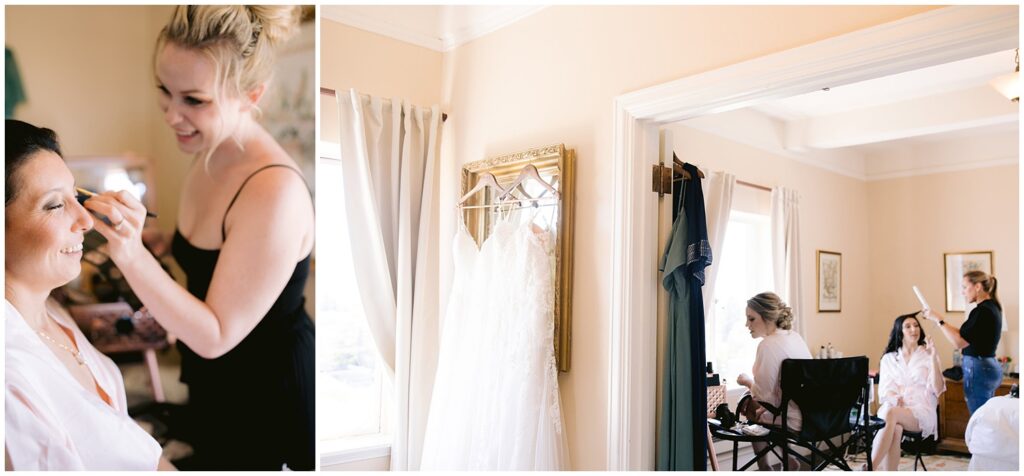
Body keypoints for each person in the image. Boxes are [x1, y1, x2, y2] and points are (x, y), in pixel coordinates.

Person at [82, 6, 314, 470]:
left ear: (251, 95)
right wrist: (169, 244)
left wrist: (130, 255)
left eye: (194, 100)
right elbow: (223, 261)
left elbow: (215, 334)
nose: (172, 115)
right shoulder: (211, 150)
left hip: (265, 397)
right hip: (216, 384)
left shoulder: (274, 190)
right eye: (164, 92)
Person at [4, 120, 173, 470]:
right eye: (54, 205)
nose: (86, 219)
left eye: (77, 197)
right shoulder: (10, 379)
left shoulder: (52, 311)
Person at [735, 292, 812, 471]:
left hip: (792, 420)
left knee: (750, 405)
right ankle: (789, 459)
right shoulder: (795, 337)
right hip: (813, 416)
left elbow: (763, 395)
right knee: (763, 407)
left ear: (767, 317)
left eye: (751, 319)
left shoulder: (767, 345)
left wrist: (747, 381)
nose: (747, 325)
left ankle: (765, 467)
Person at [870, 313, 945, 471]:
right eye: (908, 326)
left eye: (916, 325)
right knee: (895, 428)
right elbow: (884, 392)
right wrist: (896, 398)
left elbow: (938, 390)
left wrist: (933, 358)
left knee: (890, 414)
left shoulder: (928, 355)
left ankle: (870, 469)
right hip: (895, 408)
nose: (914, 329)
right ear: (900, 332)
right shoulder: (889, 359)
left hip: (921, 412)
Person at [922, 271, 1002, 413]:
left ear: (977, 287)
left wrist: (939, 320)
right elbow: (963, 334)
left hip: (978, 367)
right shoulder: (992, 307)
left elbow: (959, 342)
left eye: (965, 287)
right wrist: (939, 319)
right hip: (988, 365)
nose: (963, 292)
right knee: (986, 415)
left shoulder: (981, 311)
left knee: (979, 417)